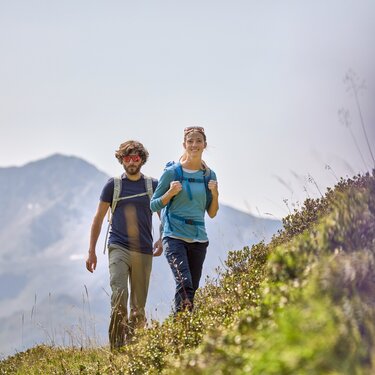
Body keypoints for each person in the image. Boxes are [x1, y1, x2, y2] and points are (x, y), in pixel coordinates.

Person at [85, 140, 162, 350]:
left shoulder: (152, 185)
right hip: (118, 246)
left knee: (138, 307)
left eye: (136, 157)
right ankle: (117, 351)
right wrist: (91, 251)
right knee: (119, 297)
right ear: (121, 160)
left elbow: (165, 214)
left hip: (144, 250)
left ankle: (135, 351)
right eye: (127, 158)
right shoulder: (113, 185)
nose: (131, 162)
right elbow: (98, 218)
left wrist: (162, 238)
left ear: (142, 160)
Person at [150, 126, 219, 313]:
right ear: (184, 144)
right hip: (174, 236)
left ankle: (182, 332)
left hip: (199, 239)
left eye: (198, 141)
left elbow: (212, 213)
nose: (194, 145)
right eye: (190, 141)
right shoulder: (173, 172)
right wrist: (170, 193)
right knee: (185, 283)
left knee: (191, 290)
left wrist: (215, 192)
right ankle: (180, 331)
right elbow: (153, 205)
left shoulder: (208, 176)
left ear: (205, 145)